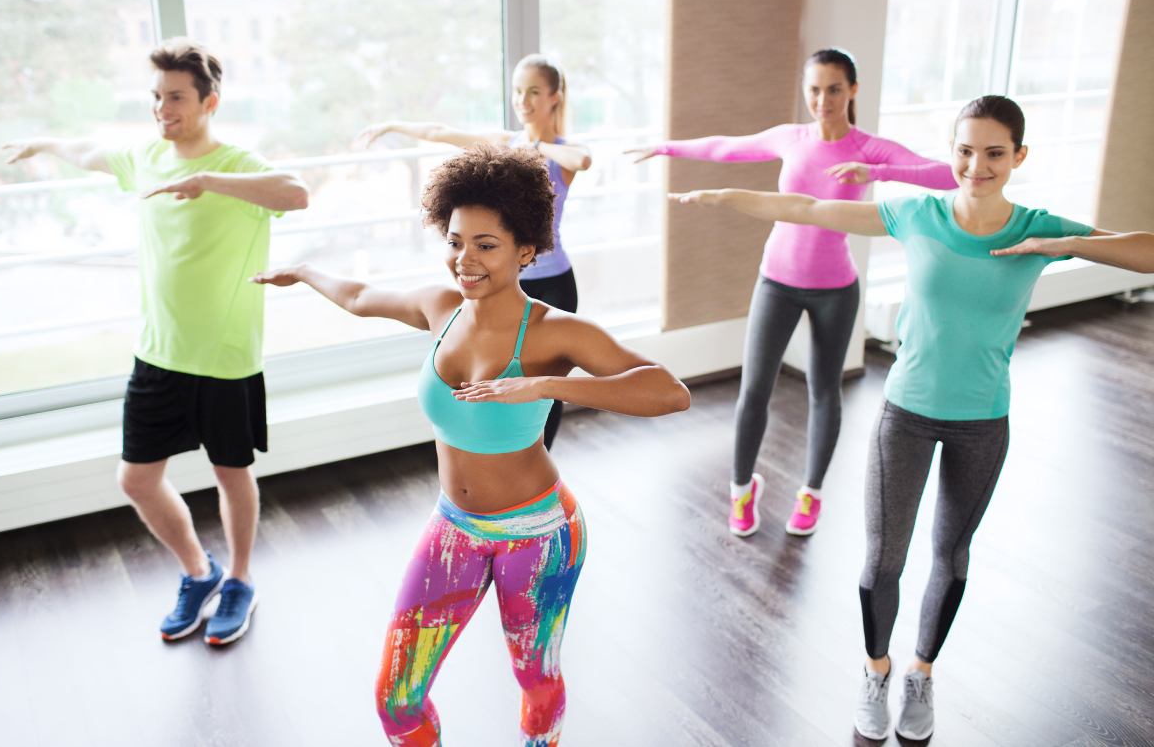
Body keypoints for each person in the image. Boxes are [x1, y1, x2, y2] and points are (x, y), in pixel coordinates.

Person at [667, 94, 1154, 742]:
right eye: (964, 149)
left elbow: (1145, 252)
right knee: (882, 562)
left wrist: (1063, 242)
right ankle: (877, 670)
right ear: (950, 151)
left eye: (994, 152)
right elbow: (811, 209)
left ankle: (921, 675)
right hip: (907, 415)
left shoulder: (1036, 227)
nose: (976, 164)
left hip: (983, 421)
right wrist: (731, 196)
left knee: (951, 558)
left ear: (1018, 157)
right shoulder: (914, 211)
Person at [252, 144, 689, 746]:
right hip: (455, 525)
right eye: (456, 242)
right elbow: (357, 296)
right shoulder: (440, 309)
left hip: (540, 534)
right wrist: (302, 272)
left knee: (534, 678)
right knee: (396, 698)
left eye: (486, 245)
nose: (465, 260)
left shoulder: (556, 331)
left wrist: (545, 384)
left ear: (527, 250)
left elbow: (670, 391)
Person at [1, 38, 310, 645]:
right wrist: (44, 142)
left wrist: (209, 181)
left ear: (208, 102)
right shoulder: (145, 154)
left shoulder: (238, 163)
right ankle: (200, 571)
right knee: (136, 478)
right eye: (156, 96)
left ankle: (241, 582)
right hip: (159, 350)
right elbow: (89, 150)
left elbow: (296, 193)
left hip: (224, 355)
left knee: (231, 472)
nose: (162, 108)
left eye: (175, 97)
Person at [628, 48, 959, 538]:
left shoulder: (870, 149)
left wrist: (877, 174)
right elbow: (727, 148)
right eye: (813, 89)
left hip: (835, 290)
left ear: (853, 90)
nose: (822, 100)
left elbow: (947, 174)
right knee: (754, 391)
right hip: (777, 282)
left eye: (833, 89)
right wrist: (666, 148)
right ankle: (742, 492)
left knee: (824, 392)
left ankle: (812, 494)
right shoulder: (791, 138)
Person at [356, 53, 592, 450]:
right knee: (501, 373)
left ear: (554, 96)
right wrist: (392, 124)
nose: (523, 100)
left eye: (534, 91)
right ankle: (494, 452)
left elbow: (582, 159)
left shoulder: (560, 152)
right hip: (506, 282)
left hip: (553, 283)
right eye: (518, 91)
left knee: (543, 388)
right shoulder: (507, 142)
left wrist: (539, 146)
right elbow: (440, 130)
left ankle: (540, 457)